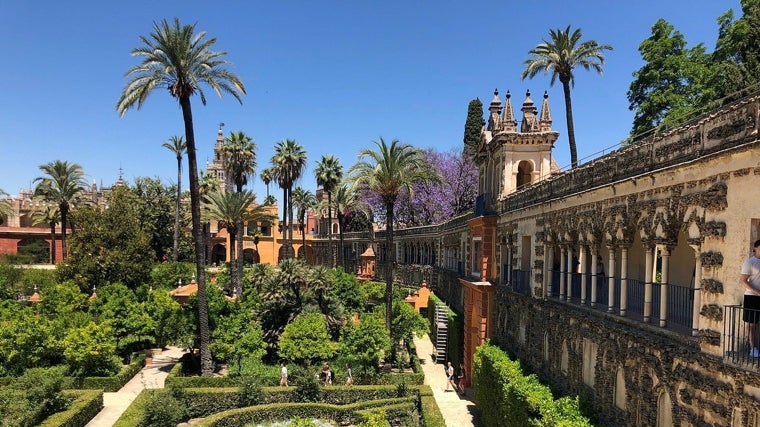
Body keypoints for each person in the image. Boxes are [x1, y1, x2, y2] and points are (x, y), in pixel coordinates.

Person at [741, 239, 760, 358]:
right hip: (751, 297)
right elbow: (742, 281)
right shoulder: (749, 263)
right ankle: (752, 348)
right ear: (755, 248)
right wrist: (757, 292)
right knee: (751, 324)